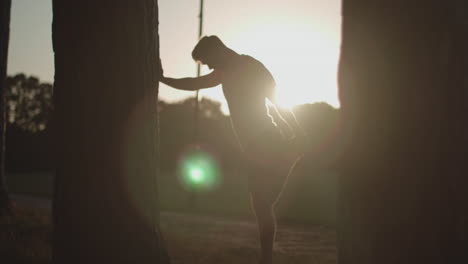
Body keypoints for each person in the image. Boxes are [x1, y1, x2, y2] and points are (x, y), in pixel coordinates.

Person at [160, 35, 305, 264]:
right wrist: (164, 79)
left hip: (265, 140)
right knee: (261, 203)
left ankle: (266, 258)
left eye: (207, 60)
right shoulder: (224, 72)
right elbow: (193, 83)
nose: (207, 66)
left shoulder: (252, 67)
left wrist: (296, 132)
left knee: (261, 203)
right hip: (255, 145)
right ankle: (290, 155)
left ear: (217, 50)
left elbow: (277, 101)